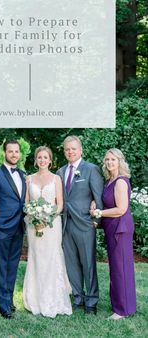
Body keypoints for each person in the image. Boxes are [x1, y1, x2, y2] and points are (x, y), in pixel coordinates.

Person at [23, 146, 72, 318]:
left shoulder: (56, 178)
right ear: (35, 160)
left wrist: (47, 219)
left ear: (50, 160)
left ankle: (54, 298)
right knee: (36, 258)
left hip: (52, 225)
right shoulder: (28, 179)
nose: (42, 160)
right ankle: (35, 298)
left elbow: (59, 204)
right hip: (33, 225)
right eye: (39, 157)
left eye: (45, 157)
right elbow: (26, 202)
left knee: (52, 257)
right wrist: (34, 218)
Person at [57, 135, 103, 315]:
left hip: (85, 224)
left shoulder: (91, 169)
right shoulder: (60, 172)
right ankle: (78, 297)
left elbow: (98, 196)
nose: (70, 152)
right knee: (72, 264)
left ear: (80, 150)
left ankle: (91, 301)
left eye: (73, 149)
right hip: (66, 224)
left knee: (88, 264)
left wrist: (96, 221)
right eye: (67, 149)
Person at [91, 148, 136, 320]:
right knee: (117, 268)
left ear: (120, 161)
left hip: (120, 229)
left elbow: (121, 209)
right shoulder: (110, 180)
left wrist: (100, 213)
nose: (109, 162)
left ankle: (122, 310)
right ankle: (123, 305)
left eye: (113, 159)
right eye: (107, 159)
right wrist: (96, 204)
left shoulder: (120, 182)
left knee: (120, 268)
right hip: (112, 228)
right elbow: (106, 200)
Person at [0, 140, 26, 319]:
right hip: (2, 228)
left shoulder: (23, 174)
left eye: (16, 151)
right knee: (1, 266)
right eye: (10, 151)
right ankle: (3, 305)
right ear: (4, 153)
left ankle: (9, 300)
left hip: (19, 226)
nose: (14, 154)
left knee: (13, 265)